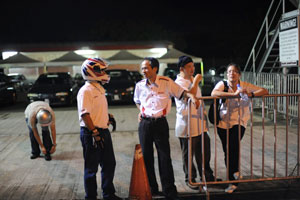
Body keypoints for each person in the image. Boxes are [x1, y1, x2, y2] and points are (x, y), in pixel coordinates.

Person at [133, 57, 201, 200]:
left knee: (164, 157)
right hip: (145, 124)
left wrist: (193, 97)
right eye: (142, 68)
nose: (143, 71)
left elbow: (183, 93)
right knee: (147, 157)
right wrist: (142, 111)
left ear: (155, 69)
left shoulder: (166, 82)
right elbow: (138, 101)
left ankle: (169, 191)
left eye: (146, 68)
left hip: (160, 124)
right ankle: (152, 188)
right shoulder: (139, 85)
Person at [211, 63, 268, 193]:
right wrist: (234, 95)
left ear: (239, 74)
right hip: (223, 122)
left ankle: (233, 181)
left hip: (239, 122)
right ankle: (233, 173)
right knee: (227, 150)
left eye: (235, 71)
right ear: (227, 74)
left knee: (233, 146)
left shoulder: (244, 85)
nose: (232, 73)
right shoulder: (223, 84)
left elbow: (265, 90)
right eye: (230, 71)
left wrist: (250, 94)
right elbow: (213, 93)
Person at [77, 58, 121, 200]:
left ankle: (108, 194)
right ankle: (91, 197)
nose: (104, 73)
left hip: (103, 131)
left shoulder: (99, 88)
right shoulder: (86, 90)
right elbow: (85, 114)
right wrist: (95, 132)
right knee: (91, 168)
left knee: (109, 163)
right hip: (91, 133)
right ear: (91, 71)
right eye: (101, 70)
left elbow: (94, 110)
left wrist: (107, 116)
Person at [174, 56, 216, 190]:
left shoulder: (191, 79)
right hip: (186, 125)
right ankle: (190, 179)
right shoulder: (178, 82)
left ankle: (207, 176)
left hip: (200, 122)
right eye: (189, 67)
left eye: (193, 66)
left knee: (204, 151)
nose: (192, 69)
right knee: (188, 155)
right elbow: (188, 96)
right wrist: (197, 81)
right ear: (182, 69)